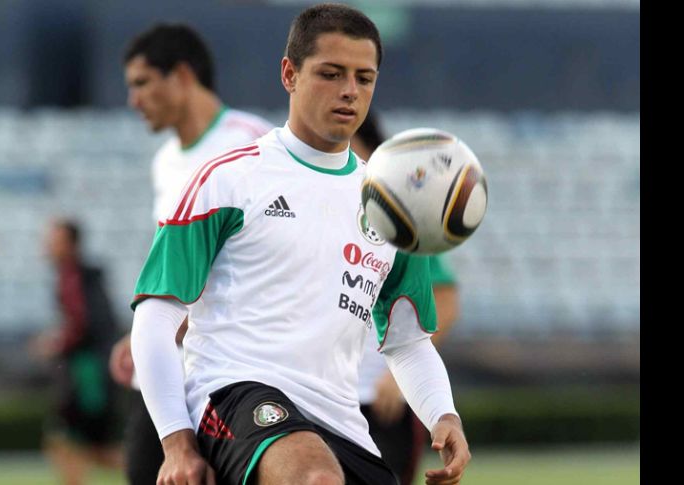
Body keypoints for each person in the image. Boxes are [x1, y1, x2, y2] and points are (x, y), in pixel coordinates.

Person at [130, 4, 471, 485]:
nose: (350, 91)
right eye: (331, 74)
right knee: (315, 479)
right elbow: (154, 317)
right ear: (289, 74)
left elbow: (407, 341)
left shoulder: (392, 209)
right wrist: (176, 442)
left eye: (364, 77)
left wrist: (443, 414)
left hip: (340, 420)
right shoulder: (228, 180)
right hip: (233, 396)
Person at [107, 22, 274, 485]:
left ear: (181, 75)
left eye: (142, 83)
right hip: (167, 380)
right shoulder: (165, 162)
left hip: (233, 377)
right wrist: (146, 329)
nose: (133, 100)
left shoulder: (252, 145)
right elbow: (176, 271)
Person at [352, 112, 462, 485]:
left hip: (381, 399)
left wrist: (398, 380)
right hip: (315, 398)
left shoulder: (399, 223)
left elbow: (443, 302)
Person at [30, 218, 123, 485]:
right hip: (89, 372)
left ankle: (153, 471)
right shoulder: (77, 277)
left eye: (55, 241)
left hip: (88, 376)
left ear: (71, 244)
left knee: (71, 444)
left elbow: (84, 325)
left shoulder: (76, 279)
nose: (48, 246)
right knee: (76, 446)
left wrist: (55, 343)